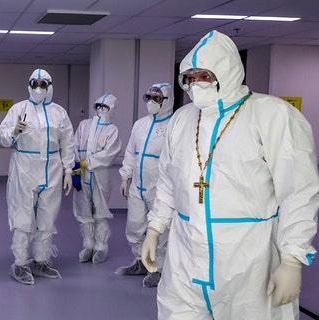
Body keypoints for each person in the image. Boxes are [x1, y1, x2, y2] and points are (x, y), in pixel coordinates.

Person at [140, 30, 319, 319]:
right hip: (185, 259)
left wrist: (292, 259)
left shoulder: (271, 115)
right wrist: (155, 228)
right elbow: (167, 181)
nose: (196, 83)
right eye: (190, 76)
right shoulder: (182, 119)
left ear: (227, 70)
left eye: (205, 75)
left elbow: (298, 191)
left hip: (248, 263)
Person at [0, 68, 75, 285]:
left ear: (49, 87)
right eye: (35, 84)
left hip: (52, 168)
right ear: (29, 85)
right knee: (23, 217)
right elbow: (2, 135)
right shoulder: (18, 109)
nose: (38, 88)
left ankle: (41, 261)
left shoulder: (59, 113)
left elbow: (68, 142)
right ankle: (20, 264)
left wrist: (68, 170)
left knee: (47, 217)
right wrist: (14, 131)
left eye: (43, 84)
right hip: (24, 167)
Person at [115, 83, 173, 288]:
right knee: (135, 225)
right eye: (147, 97)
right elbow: (131, 152)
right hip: (137, 185)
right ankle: (140, 261)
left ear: (167, 100)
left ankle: (159, 267)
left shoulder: (173, 125)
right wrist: (125, 177)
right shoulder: (140, 124)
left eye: (156, 98)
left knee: (160, 229)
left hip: (160, 186)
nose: (151, 102)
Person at [72, 93, 122, 264]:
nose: (100, 110)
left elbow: (109, 153)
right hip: (82, 173)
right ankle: (88, 245)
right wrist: (77, 164)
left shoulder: (112, 130)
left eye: (105, 107)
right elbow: (74, 144)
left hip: (100, 175)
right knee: (83, 210)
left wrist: (89, 161)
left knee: (100, 211)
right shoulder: (84, 125)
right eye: (98, 106)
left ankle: (101, 246)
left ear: (111, 109)